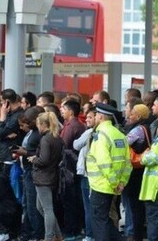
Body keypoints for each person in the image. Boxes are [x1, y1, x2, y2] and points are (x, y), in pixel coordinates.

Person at [86, 103, 132, 241]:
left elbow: (103, 162)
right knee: (104, 218)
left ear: (100, 116)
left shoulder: (101, 135)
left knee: (99, 221)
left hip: (101, 184)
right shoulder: (120, 134)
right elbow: (127, 163)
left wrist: (115, 182)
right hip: (114, 185)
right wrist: (122, 182)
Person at [27, 111, 64, 241]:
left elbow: (43, 160)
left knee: (47, 209)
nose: (38, 127)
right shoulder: (57, 138)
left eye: (38, 124)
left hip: (43, 177)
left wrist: (33, 159)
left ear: (43, 124)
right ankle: (58, 235)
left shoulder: (45, 139)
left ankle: (49, 237)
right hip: (52, 175)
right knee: (41, 207)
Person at [15, 106, 45, 241]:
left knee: (33, 205)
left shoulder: (40, 134)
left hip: (33, 172)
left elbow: (41, 155)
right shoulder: (33, 132)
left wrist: (25, 153)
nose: (26, 124)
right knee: (27, 204)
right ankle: (28, 232)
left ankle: (37, 234)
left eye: (28, 121)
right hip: (27, 171)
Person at [123, 103, 151, 241]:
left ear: (139, 116)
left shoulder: (138, 129)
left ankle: (136, 235)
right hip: (141, 169)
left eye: (132, 113)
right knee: (137, 205)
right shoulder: (146, 127)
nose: (129, 115)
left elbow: (124, 142)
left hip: (135, 171)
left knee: (135, 205)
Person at [58, 99, 86, 240]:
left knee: (71, 201)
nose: (61, 110)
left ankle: (72, 231)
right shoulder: (70, 125)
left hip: (70, 169)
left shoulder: (72, 126)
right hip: (72, 168)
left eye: (63, 108)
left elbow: (64, 145)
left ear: (70, 111)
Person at [73, 108, 96, 241]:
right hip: (94, 174)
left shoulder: (89, 132)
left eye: (90, 117)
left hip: (87, 173)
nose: (86, 119)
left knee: (88, 206)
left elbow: (76, 145)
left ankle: (89, 235)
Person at [0, 89, 25, 177]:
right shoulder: (10, 114)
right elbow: (0, 135)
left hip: (10, 158)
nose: (1, 106)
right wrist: (6, 136)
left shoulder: (16, 116)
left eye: (2, 102)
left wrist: (2, 117)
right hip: (4, 156)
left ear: (7, 102)